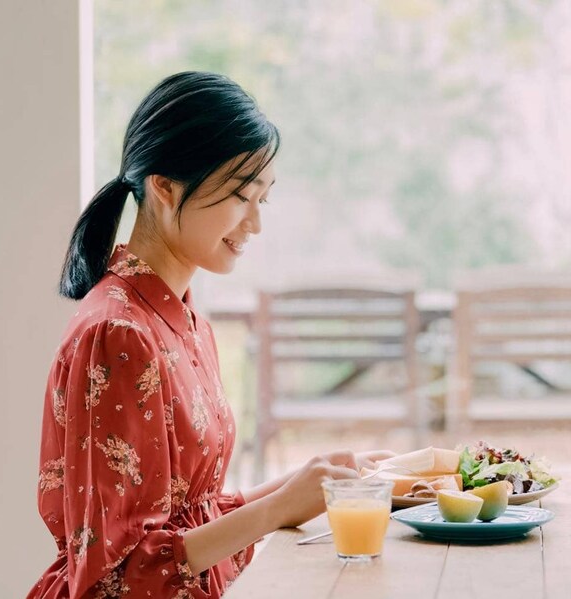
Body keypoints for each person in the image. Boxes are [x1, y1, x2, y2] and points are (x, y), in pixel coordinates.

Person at [28, 71, 394, 598]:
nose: (254, 225)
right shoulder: (117, 334)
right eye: (241, 196)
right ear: (164, 187)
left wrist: (306, 484)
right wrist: (276, 508)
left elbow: (189, 518)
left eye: (262, 200)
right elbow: (115, 579)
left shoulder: (182, 315)